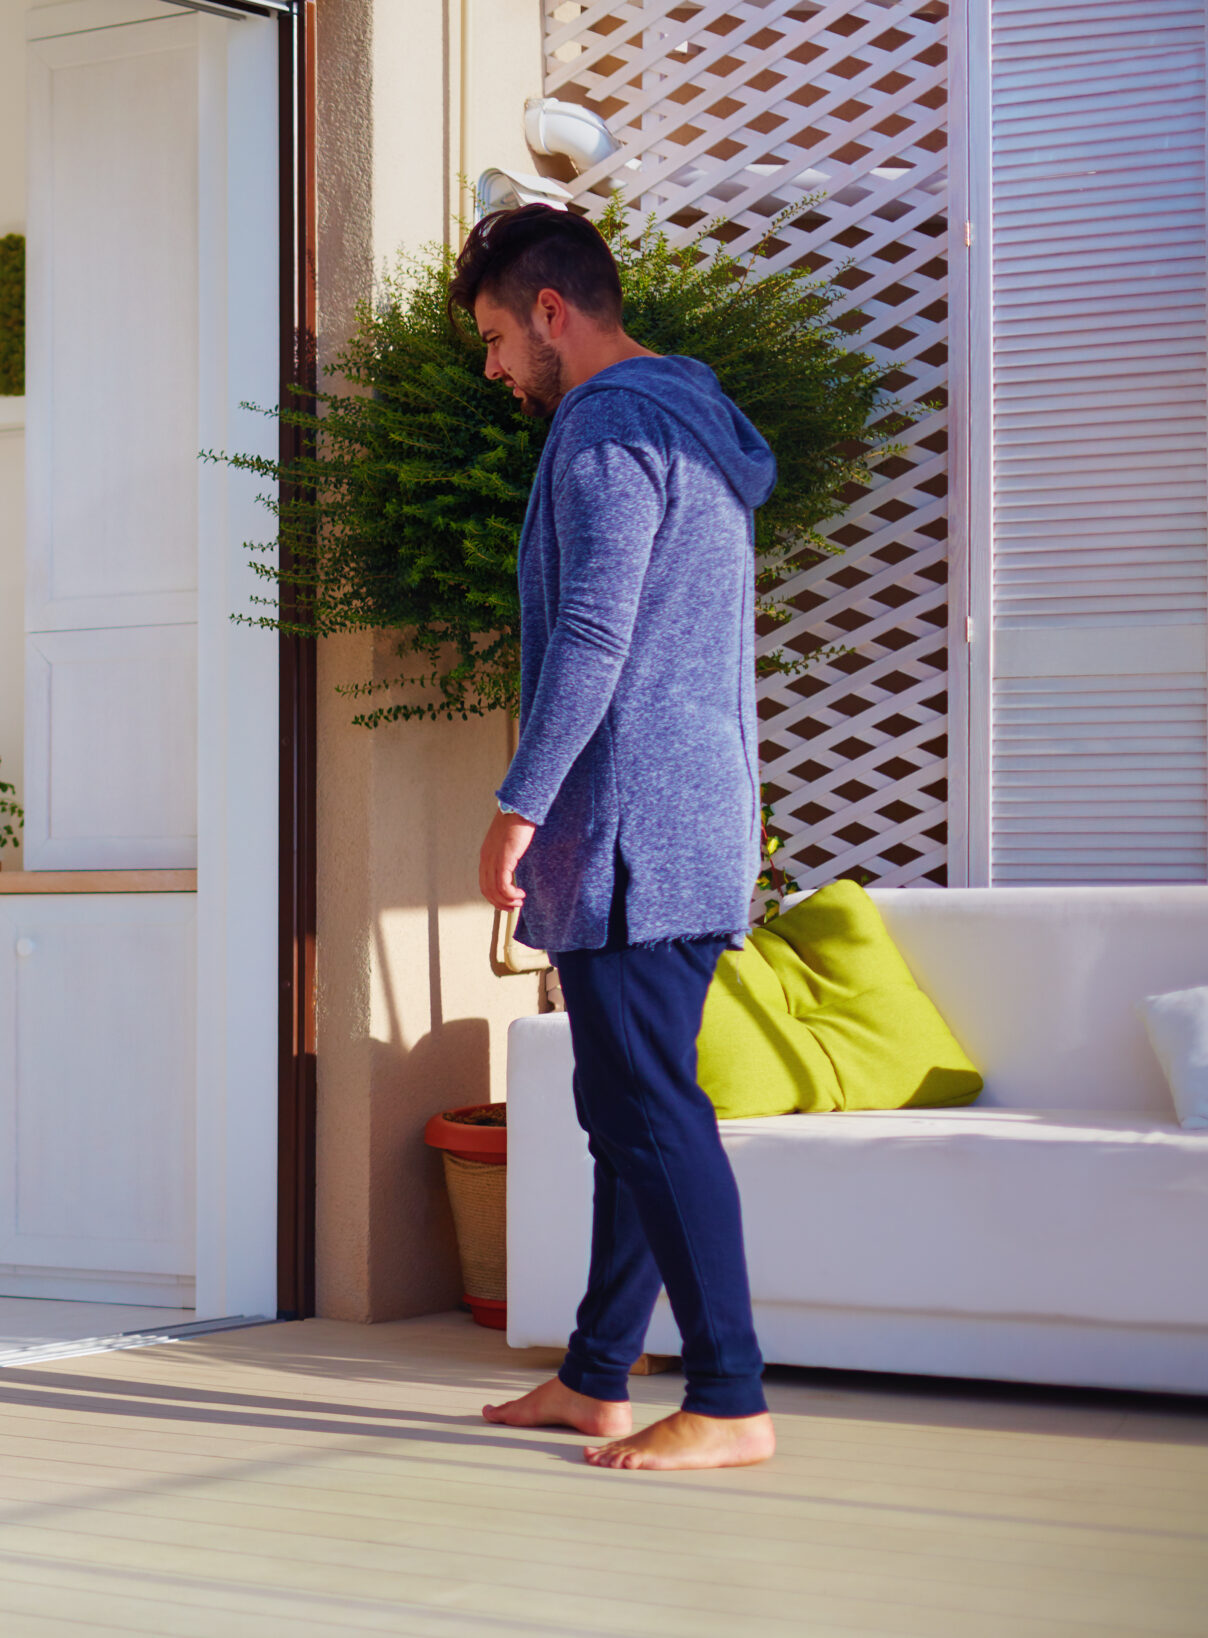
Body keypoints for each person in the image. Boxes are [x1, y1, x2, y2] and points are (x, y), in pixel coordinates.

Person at [461, 204, 781, 1471]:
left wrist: (517, 804)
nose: (493, 371)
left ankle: (730, 1400)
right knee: (621, 1104)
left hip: (634, 825)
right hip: (700, 810)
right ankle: (598, 1377)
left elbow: (594, 637)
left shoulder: (606, 427)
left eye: (494, 339)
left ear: (552, 311)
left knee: (652, 1109)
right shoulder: (692, 410)